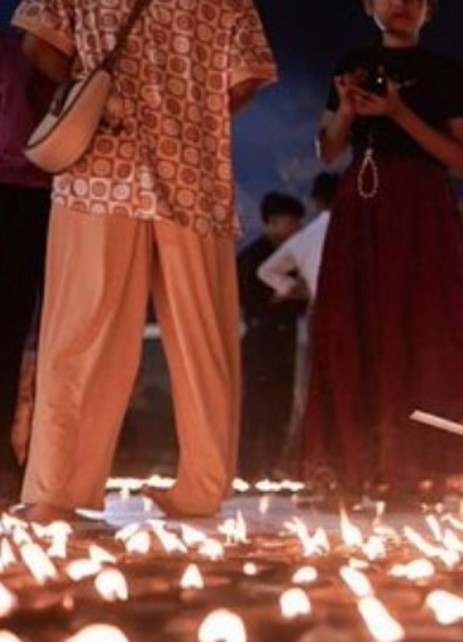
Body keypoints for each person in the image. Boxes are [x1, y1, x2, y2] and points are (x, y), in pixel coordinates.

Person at [12, 0, 276, 522]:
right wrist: (189, 117)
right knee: (204, 340)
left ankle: (57, 492)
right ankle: (202, 487)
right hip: (192, 174)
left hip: (101, 166)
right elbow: (247, 79)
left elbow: (38, 44)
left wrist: (97, 94)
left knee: (80, 332)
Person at [302, 0, 463, 502]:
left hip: (421, 206)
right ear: (369, 5)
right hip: (362, 205)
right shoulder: (351, 64)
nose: (402, 5)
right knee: (356, 324)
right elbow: (328, 152)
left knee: (424, 327)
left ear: (429, 10)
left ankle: (418, 466)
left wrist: (398, 111)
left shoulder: (444, 71)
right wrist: (349, 112)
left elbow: (461, 158)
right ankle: (357, 465)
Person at [0, 27, 53, 505]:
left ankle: (33, 465)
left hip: (48, 194)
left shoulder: (25, 50)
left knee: (25, 332)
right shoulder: (24, 51)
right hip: (39, 193)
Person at [237, 192, 307, 480]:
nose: (297, 228)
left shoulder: (294, 258)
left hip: (285, 338)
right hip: (260, 338)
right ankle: (249, 467)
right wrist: (282, 298)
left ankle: (273, 465)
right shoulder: (252, 258)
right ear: (274, 222)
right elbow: (249, 299)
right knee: (257, 403)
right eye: (292, 221)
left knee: (281, 402)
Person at [258, 173, 340, 304]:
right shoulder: (362, 230)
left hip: (325, 310)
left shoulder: (303, 239)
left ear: (317, 202)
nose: (299, 225)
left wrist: (295, 288)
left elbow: (266, 271)